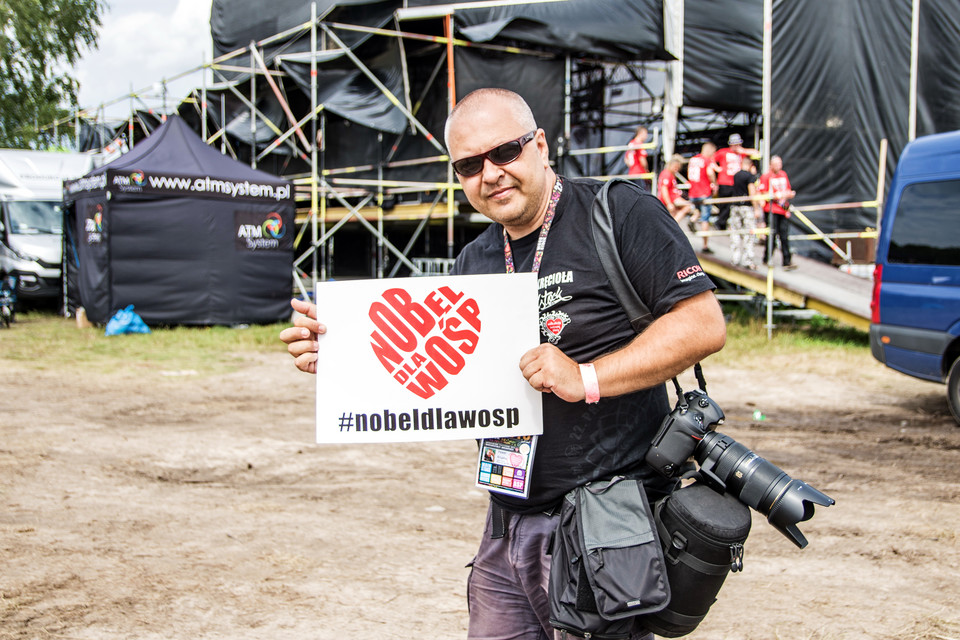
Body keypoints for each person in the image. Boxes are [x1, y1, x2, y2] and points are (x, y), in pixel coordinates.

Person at [279, 88, 726, 640]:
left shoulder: (618, 212)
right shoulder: (476, 260)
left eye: (505, 153)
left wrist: (585, 377)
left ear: (539, 145)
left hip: (602, 526)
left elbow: (703, 324)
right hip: (506, 520)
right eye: (469, 165)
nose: (490, 174)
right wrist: (345, 358)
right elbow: (441, 370)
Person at [757, 155, 797, 270]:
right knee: (772, 234)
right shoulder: (766, 176)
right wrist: (774, 196)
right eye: (776, 164)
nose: (778, 167)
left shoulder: (783, 174)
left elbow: (788, 190)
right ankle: (767, 258)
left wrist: (787, 195)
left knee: (784, 235)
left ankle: (787, 261)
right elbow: (761, 193)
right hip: (771, 210)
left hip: (783, 209)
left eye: (780, 164)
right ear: (771, 165)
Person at [713, 133, 758, 230]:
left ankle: (724, 223)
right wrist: (717, 168)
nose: (737, 146)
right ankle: (720, 223)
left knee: (732, 205)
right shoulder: (723, 152)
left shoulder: (742, 153)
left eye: (738, 144)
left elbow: (757, 153)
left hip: (736, 183)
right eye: (735, 144)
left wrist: (743, 150)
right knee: (724, 204)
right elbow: (711, 160)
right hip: (724, 182)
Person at [728, 156, 763, 269]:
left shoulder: (736, 175)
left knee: (735, 232)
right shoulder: (750, 177)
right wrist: (756, 208)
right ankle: (747, 260)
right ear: (751, 165)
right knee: (749, 232)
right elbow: (752, 192)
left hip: (735, 206)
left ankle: (735, 258)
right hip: (746, 207)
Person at [686, 141, 719, 253]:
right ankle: (705, 245)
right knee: (705, 218)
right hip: (704, 192)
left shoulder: (693, 160)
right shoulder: (707, 160)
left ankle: (692, 219)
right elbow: (710, 173)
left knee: (697, 211)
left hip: (693, 192)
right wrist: (714, 184)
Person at [657, 154, 693, 225]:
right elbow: (664, 189)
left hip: (673, 199)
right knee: (688, 206)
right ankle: (673, 225)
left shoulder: (671, 174)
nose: (677, 169)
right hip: (671, 199)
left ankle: (673, 225)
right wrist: (669, 203)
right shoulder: (667, 174)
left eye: (678, 168)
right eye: (675, 167)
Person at [624, 125, 650, 190]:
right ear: (640, 133)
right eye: (645, 133)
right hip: (639, 173)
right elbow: (642, 160)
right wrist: (646, 170)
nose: (646, 136)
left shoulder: (631, 143)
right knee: (642, 194)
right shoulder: (639, 144)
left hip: (631, 173)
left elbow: (626, 160)